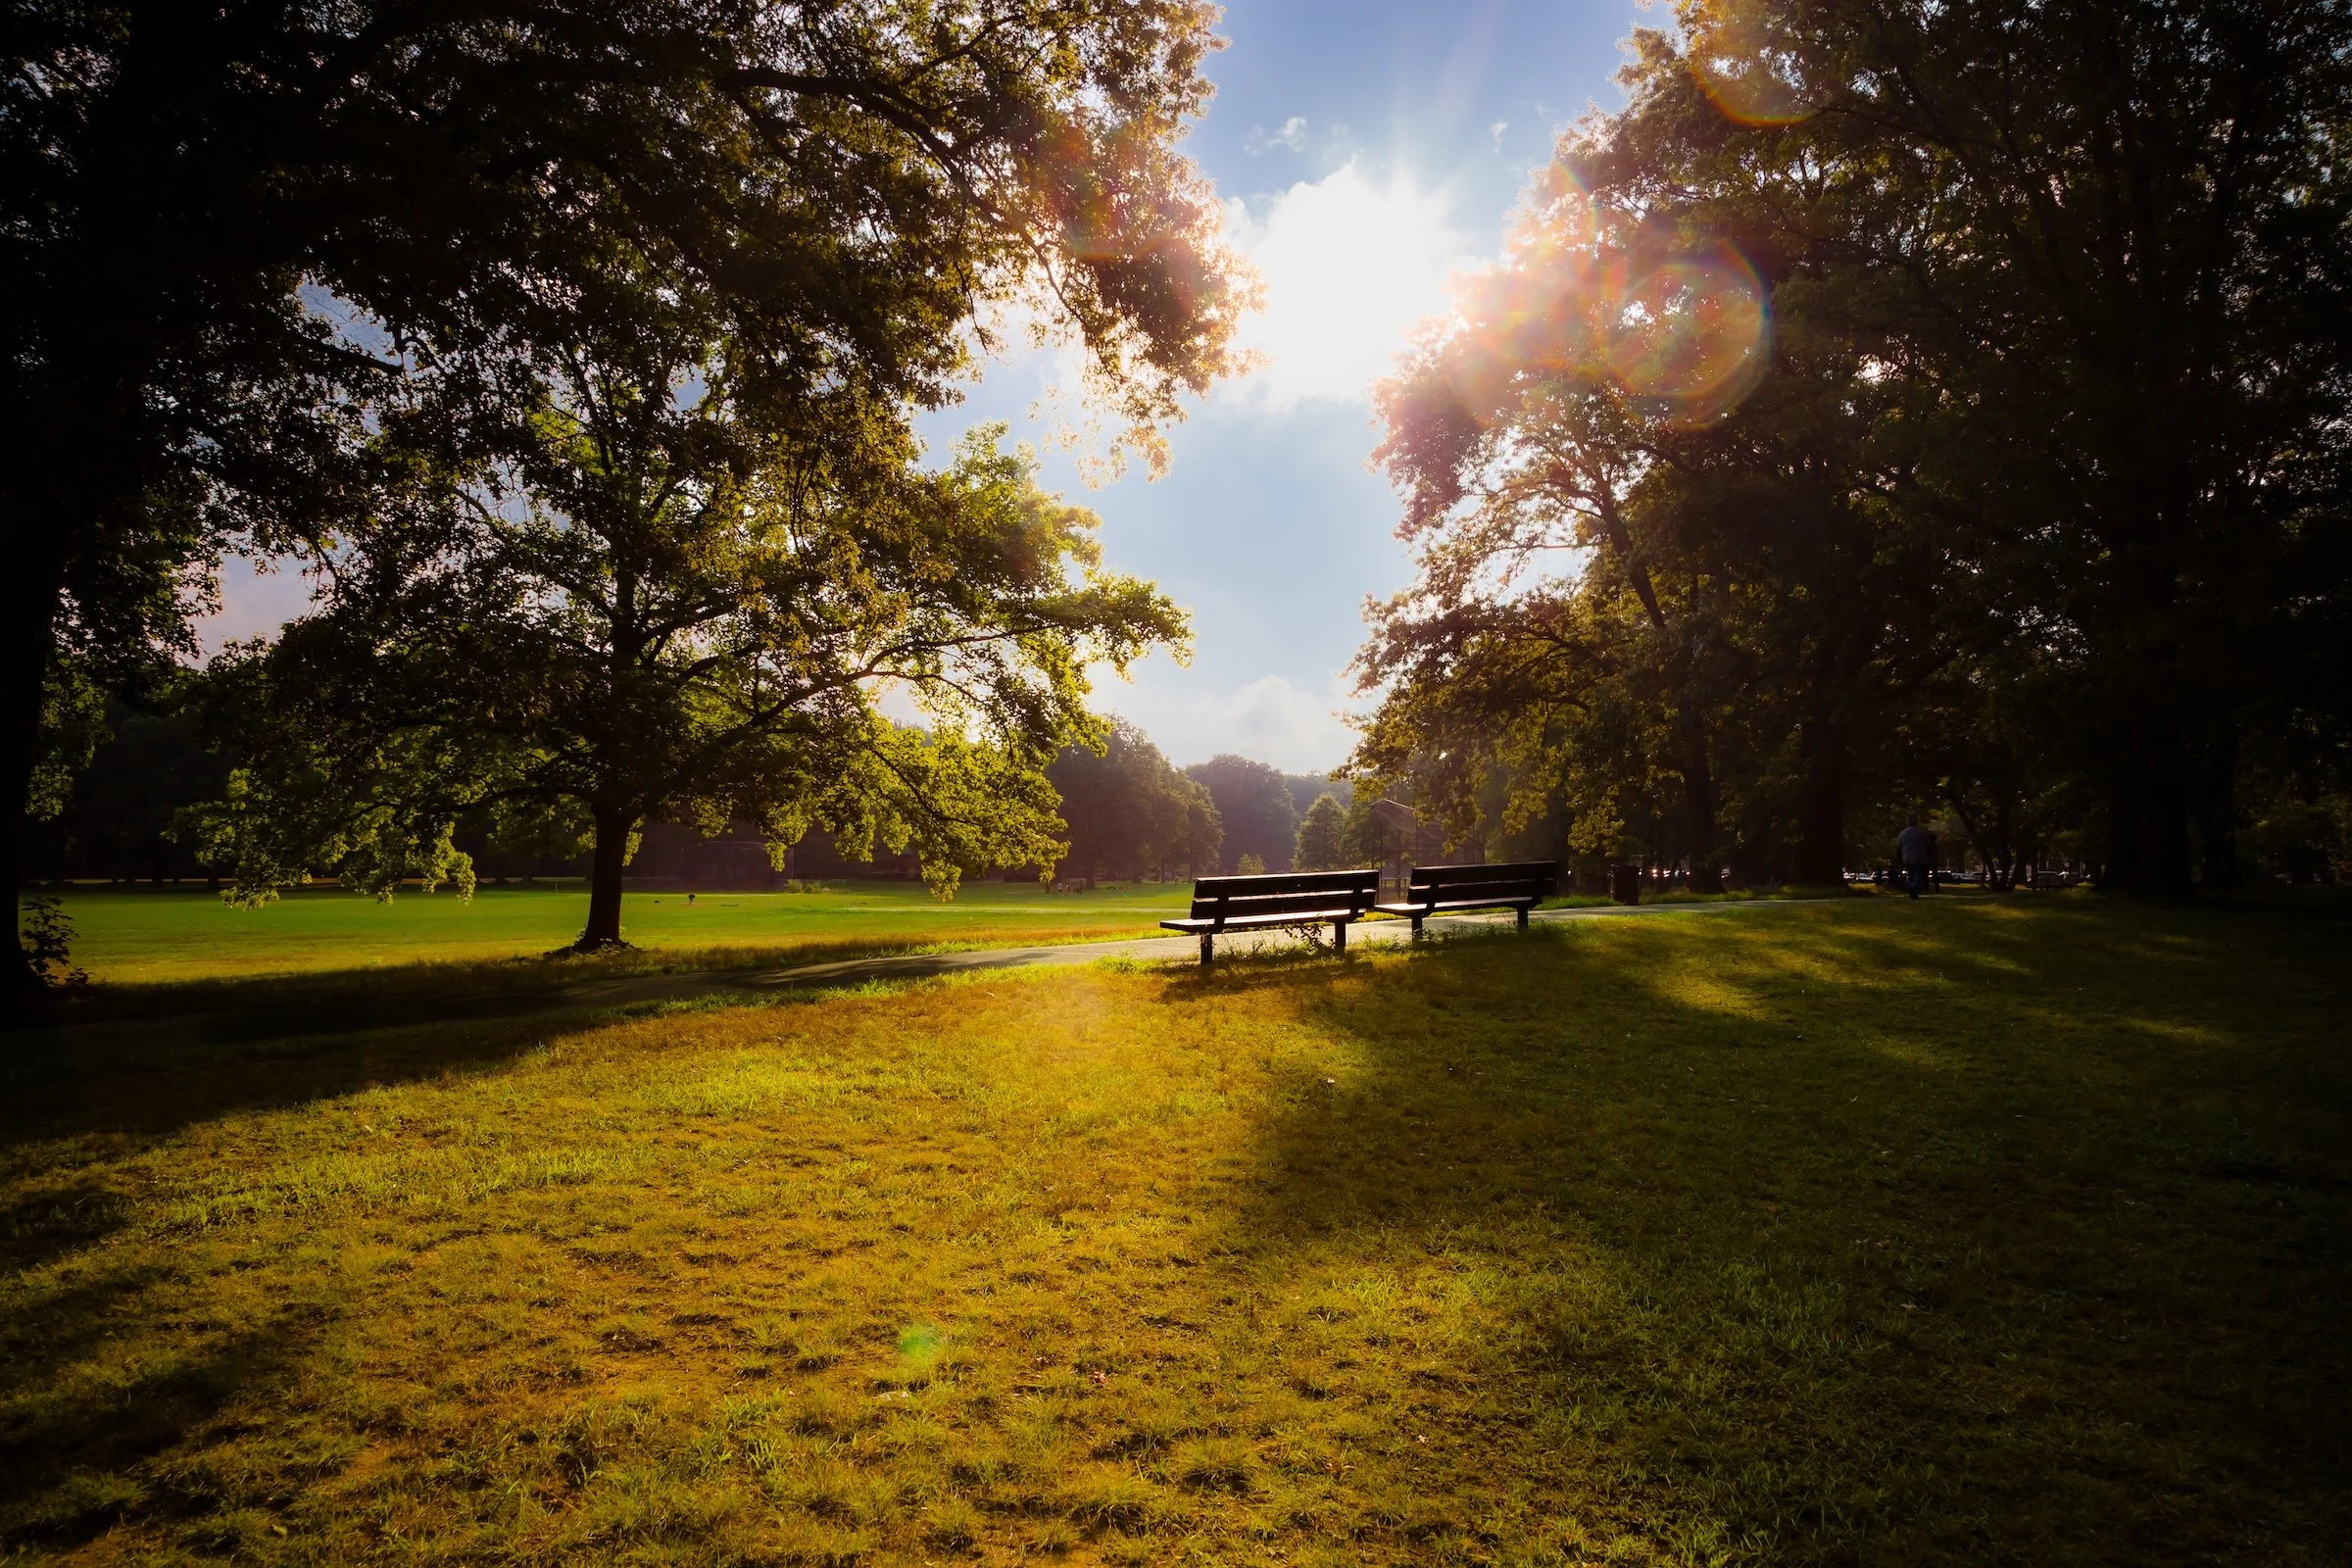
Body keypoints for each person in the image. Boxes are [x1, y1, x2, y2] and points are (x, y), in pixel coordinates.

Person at [1895, 818, 1936, 899]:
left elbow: (1899, 848)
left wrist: (1898, 859)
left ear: (1907, 823)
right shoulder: (1922, 833)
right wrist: (1930, 857)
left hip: (1907, 857)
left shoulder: (1902, 833)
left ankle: (1913, 892)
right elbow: (1928, 845)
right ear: (1916, 823)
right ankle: (1913, 887)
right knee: (1919, 874)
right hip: (1920, 857)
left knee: (1911, 874)